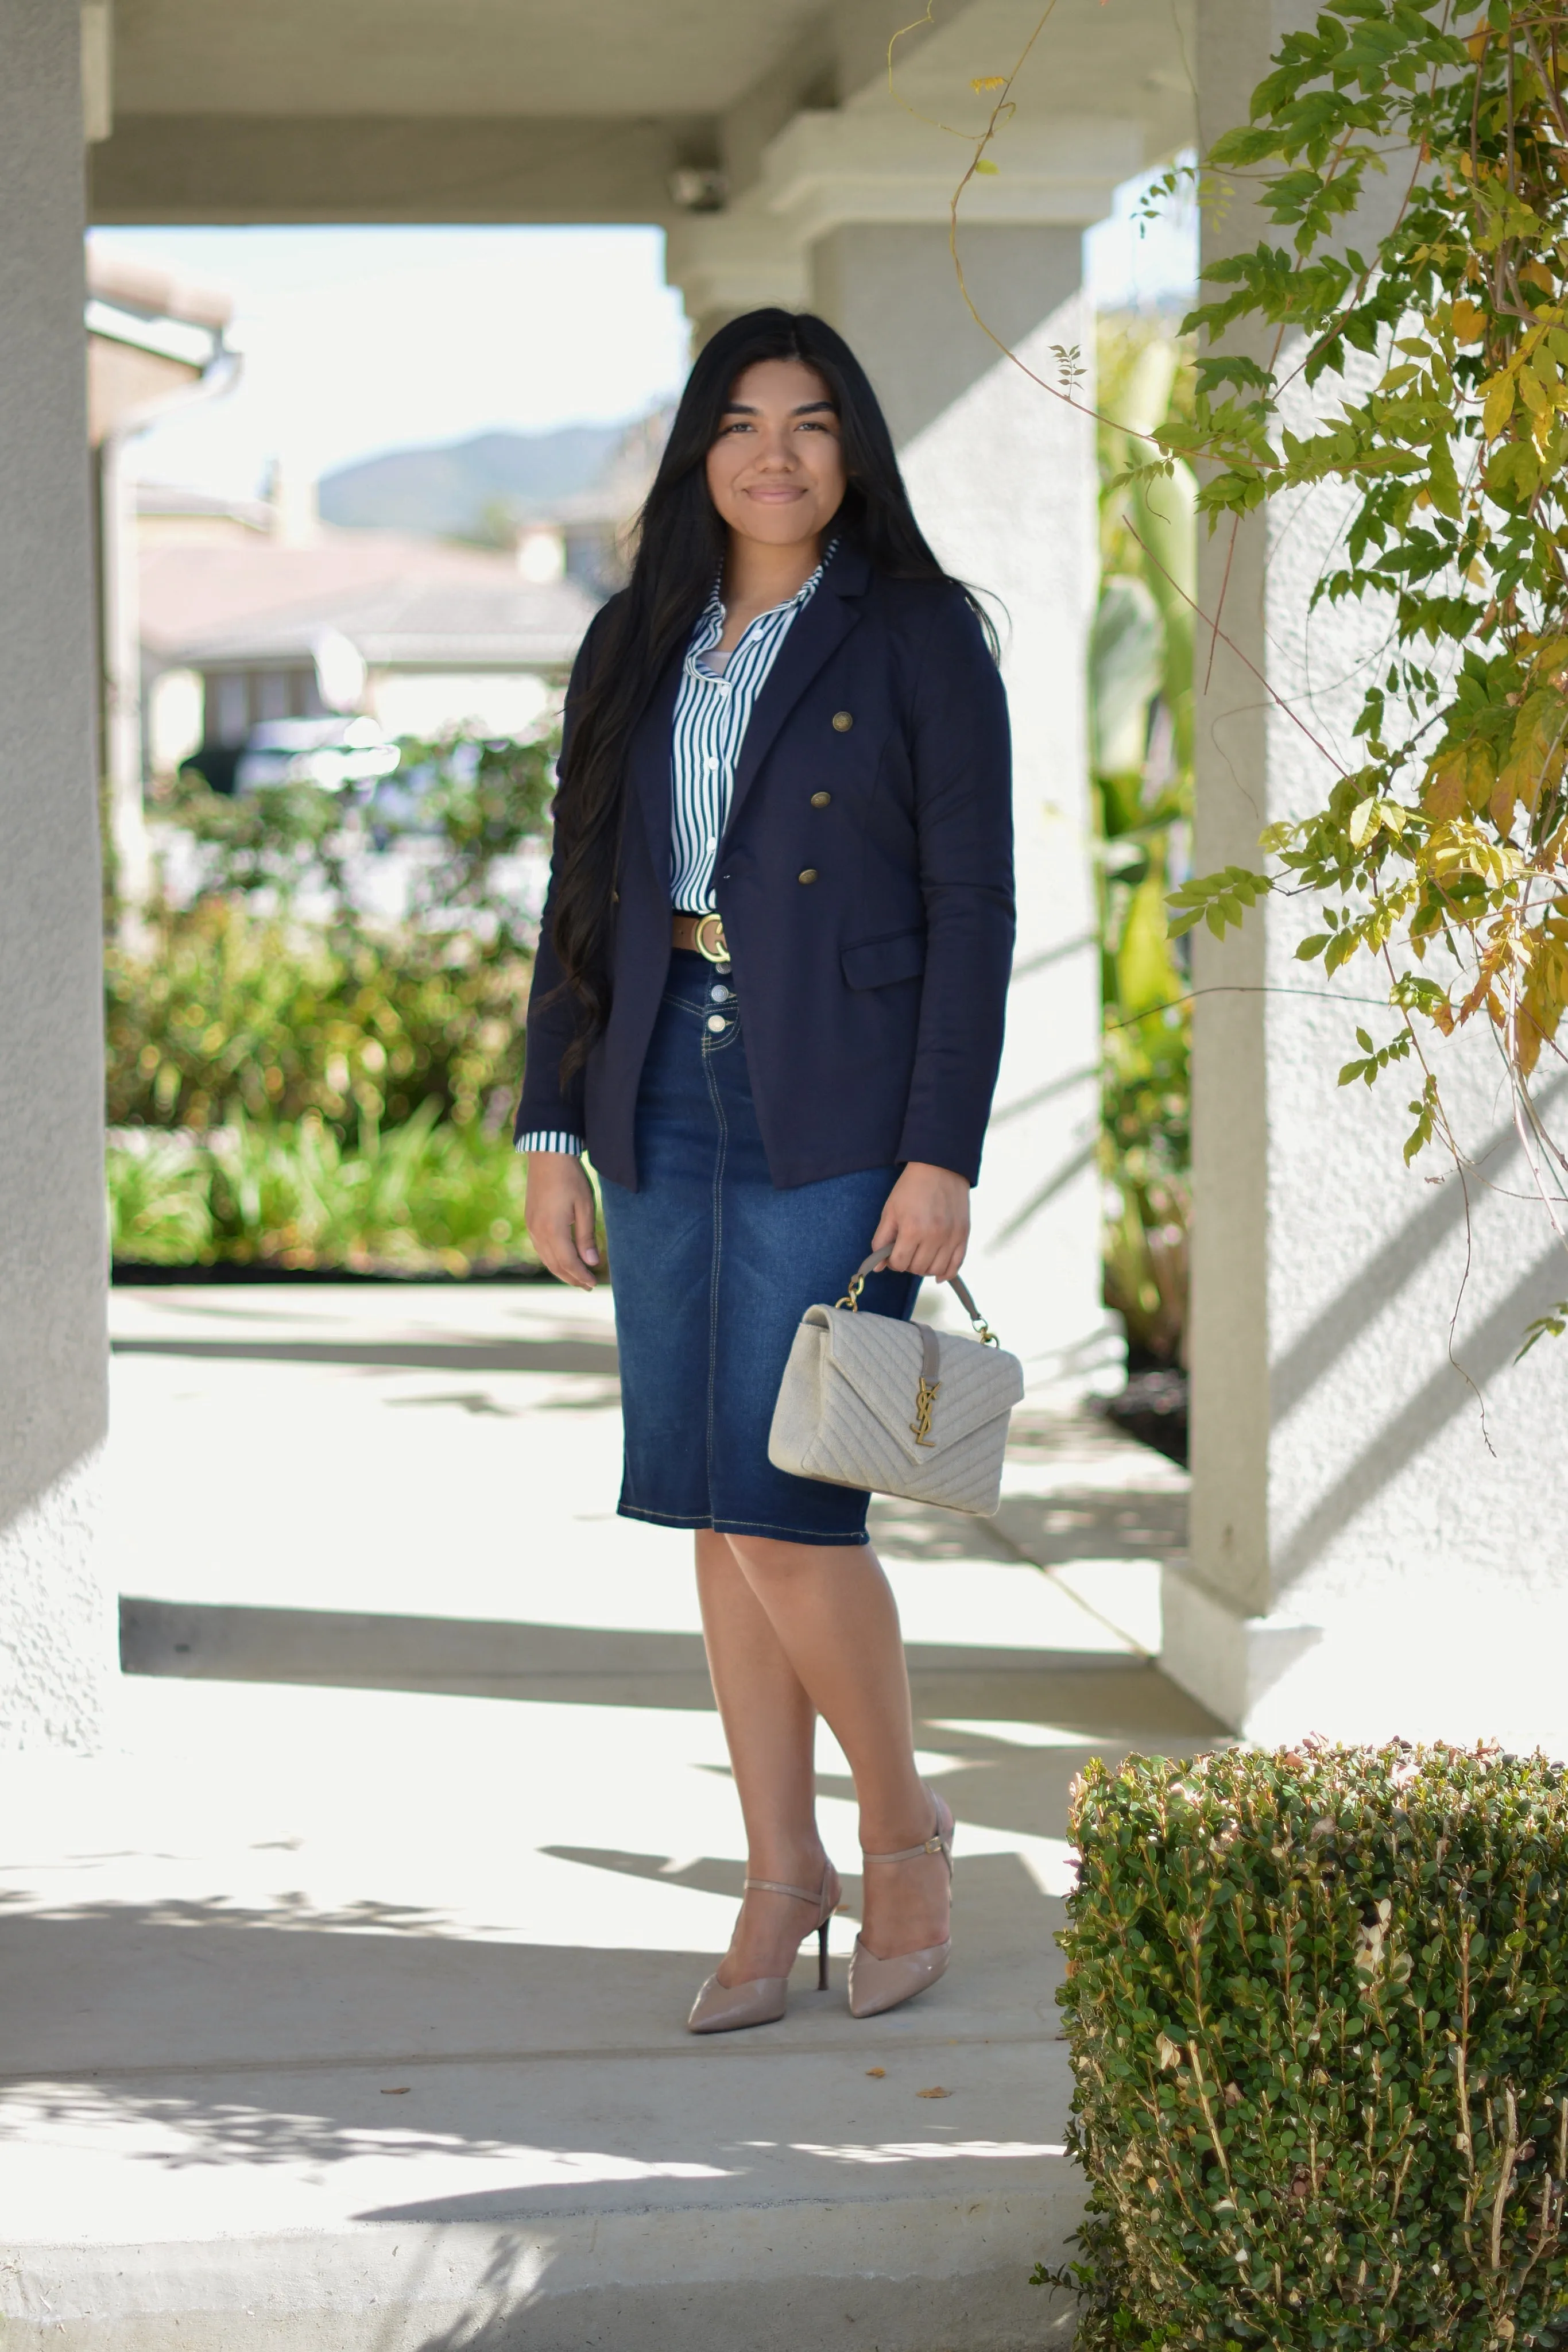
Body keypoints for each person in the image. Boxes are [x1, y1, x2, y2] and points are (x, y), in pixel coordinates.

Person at [518, 308, 1013, 2032]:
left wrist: (940, 1148)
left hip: (839, 1098)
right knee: (712, 1515)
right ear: (698, 453)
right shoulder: (633, 637)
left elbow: (976, 908)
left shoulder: (923, 635)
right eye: (741, 423)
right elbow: (578, 895)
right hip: (654, 1085)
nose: (776, 454)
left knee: (793, 1507)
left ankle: (899, 1838)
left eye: (811, 423)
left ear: (852, 446)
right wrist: (550, 1123)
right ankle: (776, 1867)